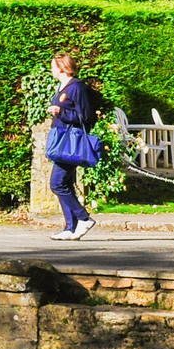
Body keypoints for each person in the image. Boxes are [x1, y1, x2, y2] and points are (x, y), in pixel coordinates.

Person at [46, 53, 99, 241]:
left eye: (53, 66)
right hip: (61, 143)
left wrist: (62, 111)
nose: (51, 69)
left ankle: (84, 218)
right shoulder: (62, 88)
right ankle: (70, 227)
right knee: (65, 183)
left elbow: (87, 118)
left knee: (57, 184)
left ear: (61, 67)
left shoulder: (76, 88)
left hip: (71, 143)